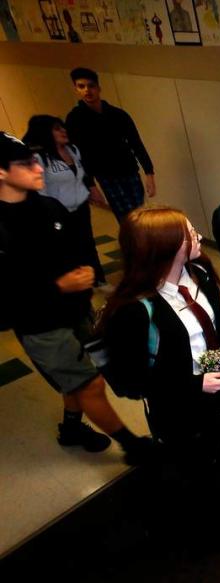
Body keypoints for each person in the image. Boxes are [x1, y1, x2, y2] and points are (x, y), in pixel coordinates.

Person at [101, 206, 220, 559]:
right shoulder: (133, 309)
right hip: (176, 405)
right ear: (160, 247)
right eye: (186, 233)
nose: (196, 234)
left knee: (210, 451)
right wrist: (196, 385)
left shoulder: (198, 273)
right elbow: (130, 382)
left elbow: (219, 323)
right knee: (201, 467)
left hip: (214, 390)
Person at [0, 132, 152, 463]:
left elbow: (73, 249)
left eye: (35, 159)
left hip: (76, 311)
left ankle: (70, 429)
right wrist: (57, 287)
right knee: (89, 383)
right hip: (39, 324)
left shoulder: (48, 206)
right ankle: (132, 445)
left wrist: (83, 275)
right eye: (25, 163)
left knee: (77, 376)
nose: (37, 167)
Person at [22, 114, 108, 288]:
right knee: (69, 248)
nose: (63, 131)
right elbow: (40, 190)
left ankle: (98, 280)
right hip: (59, 212)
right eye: (57, 128)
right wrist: (49, 212)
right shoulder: (40, 158)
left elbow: (82, 175)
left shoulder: (73, 150)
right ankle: (77, 284)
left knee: (88, 243)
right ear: (46, 132)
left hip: (81, 206)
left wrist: (92, 190)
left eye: (62, 127)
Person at [65, 67, 156, 221]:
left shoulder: (117, 114)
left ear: (98, 88)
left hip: (128, 169)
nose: (87, 90)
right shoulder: (75, 119)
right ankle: (133, 243)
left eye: (91, 86)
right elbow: (78, 155)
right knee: (126, 217)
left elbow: (136, 143)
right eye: (81, 86)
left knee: (140, 214)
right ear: (76, 89)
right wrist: (90, 185)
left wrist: (149, 173)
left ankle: (143, 243)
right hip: (106, 175)